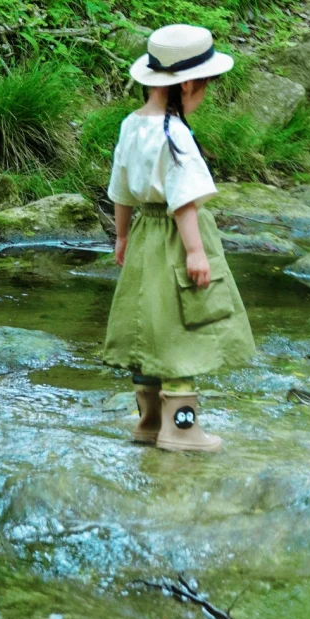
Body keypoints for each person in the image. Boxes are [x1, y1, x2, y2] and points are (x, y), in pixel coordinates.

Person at [102, 23, 255, 452]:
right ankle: (182, 430)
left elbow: (119, 188)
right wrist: (196, 252)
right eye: (204, 86)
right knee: (181, 333)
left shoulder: (131, 125)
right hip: (173, 236)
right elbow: (184, 202)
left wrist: (121, 237)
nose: (204, 94)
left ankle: (148, 423)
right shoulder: (176, 135)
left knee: (147, 327)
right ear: (187, 84)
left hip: (144, 237)